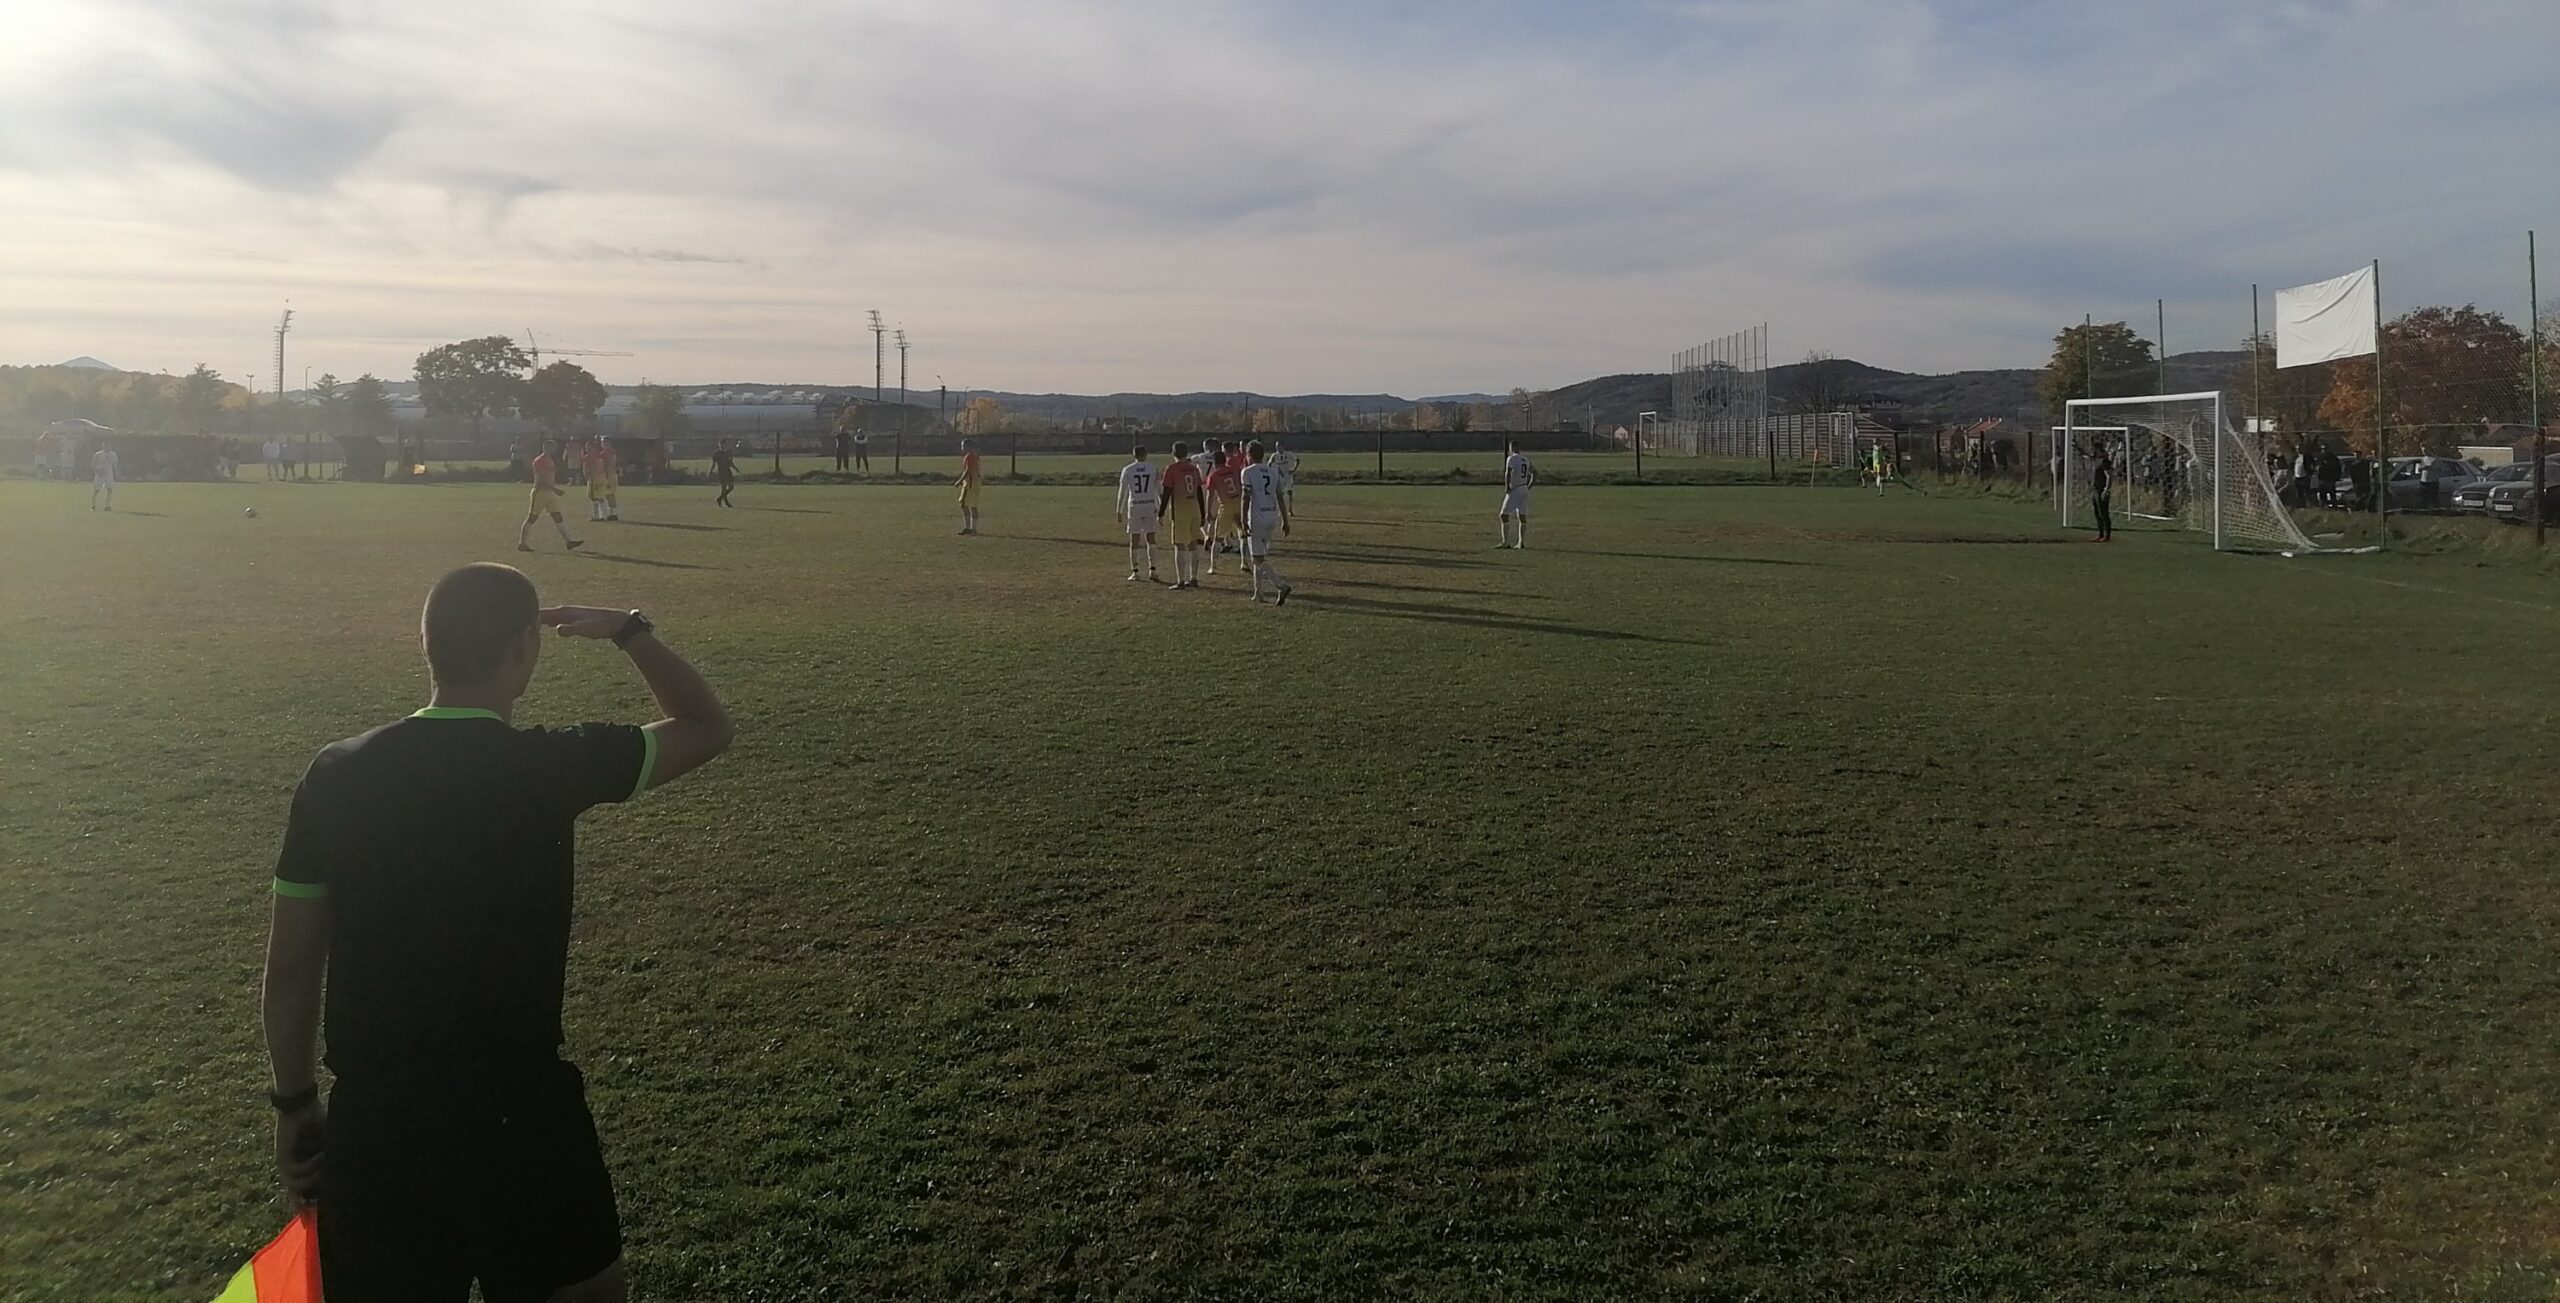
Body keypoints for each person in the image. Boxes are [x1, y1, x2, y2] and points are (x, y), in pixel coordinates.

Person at [260, 562, 734, 1302]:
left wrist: (294, 1103)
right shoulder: (551, 764)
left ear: (428, 645)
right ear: (524, 646)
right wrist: (630, 632)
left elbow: (292, 966)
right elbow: (706, 725)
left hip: (382, 1123)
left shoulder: (337, 773)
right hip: (524, 1112)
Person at [1239, 440, 1293, 605]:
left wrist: (1243, 519)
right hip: (1272, 516)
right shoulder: (1273, 471)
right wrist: (1285, 521)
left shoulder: (1247, 472)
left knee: (1257, 558)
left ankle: (1280, 585)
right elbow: (1280, 497)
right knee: (1259, 554)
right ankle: (1259, 592)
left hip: (1257, 518)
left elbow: (1246, 497)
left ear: (1249, 455)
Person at [518, 442, 585, 551]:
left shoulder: (549, 459)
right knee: (532, 518)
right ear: (547, 447)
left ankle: (568, 541)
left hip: (549, 493)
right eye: (553, 447)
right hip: (540, 493)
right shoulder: (540, 460)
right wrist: (555, 490)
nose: (555, 449)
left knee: (557, 516)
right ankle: (522, 543)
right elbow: (540, 480)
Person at [1159, 440, 1208, 589]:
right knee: (1193, 543)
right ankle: (1194, 578)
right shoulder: (1193, 469)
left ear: (1173, 453)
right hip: (1194, 508)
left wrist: (1161, 512)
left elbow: (1167, 492)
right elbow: (1199, 491)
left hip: (1180, 510)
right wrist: (1203, 512)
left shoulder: (1171, 469)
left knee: (1179, 544)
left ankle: (1181, 580)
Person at [1115, 445, 1161, 583]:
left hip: (1134, 506)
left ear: (1133, 455)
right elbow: (1160, 490)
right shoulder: (1153, 468)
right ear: (1145, 455)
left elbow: (1122, 491)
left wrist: (1119, 509)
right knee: (1151, 537)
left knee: (1134, 538)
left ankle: (1135, 572)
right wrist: (1161, 508)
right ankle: (1153, 570)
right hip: (1150, 505)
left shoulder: (1128, 469)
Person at [1204, 446, 1245, 574]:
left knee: (1218, 538)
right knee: (1242, 533)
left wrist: (1208, 512)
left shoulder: (1214, 475)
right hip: (1239, 504)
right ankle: (1244, 561)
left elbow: (1210, 495)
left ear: (1214, 462)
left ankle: (1213, 566)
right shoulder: (1234, 471)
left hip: (1226, 507)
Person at [1497, 439, 1536, 549]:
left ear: (1512, 448)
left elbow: (1508, 473)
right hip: (1524, 488)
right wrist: (1528, 486)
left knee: (1503, 515)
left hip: (1515, 489)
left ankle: (1505, 542)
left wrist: (1507, 486)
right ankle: (1521, 542)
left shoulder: (1511, 459)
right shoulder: (1526, 459)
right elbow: (1534, 473)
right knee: (1522, 516)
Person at [956, 439, 984, 535]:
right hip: (976, 484)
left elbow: (968, 470)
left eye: (963, 446)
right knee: (973, 506)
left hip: (970, 484)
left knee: (964, 504)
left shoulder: (969, 456)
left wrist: (959, 481)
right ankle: (973, 529)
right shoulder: (976, 456)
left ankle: (968, 527)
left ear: (968, 446)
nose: (962, 448)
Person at [580, 438, 611, 522]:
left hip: (594, 478)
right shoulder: (600, 455)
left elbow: (586, 467)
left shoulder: (588, 456)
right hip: (602, 476)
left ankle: (596, 515)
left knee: (593, 497)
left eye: (588, 447)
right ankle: (605, 514)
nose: (587, 449)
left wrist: (586, 476)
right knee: (600, 496)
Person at [2089, 446, 2113, 542]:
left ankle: (2107, 535)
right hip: (2095, 489)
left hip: (2101, 490)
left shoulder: (2104, 461)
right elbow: (2085, 454)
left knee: (2103, 513)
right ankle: (2100, 534)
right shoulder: (2095, 460)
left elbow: (2109, 476)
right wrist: (2077, 446)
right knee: (2097, 513)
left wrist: (2106, 489)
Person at [1271, 441, 1298, 513]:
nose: (1277, 448)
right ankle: (1279, 509)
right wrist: (1273, 471)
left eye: (1279, 446)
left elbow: (1297, 460)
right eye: (1276, 446)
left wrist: (1293, 470)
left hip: (1288, 476)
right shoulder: (1274, 455)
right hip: (1279, 476)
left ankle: (1290, 509)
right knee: (1280, 493)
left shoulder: (1288, 454)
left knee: (1290, 493)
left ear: (1283, 446)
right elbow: (1269, 464)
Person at [90, 445, 118, 511]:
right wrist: (97, 471)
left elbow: (115, 464)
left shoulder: (113, 454)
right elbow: (93, 464)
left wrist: (116, 472)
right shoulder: (98, 454)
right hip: (99, 474)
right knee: (96, 490)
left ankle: (107, 506)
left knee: (109, 489)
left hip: (109, 474)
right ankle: (93, 505)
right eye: (106, 446)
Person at [711, 440, 737, 508]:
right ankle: (726, 503)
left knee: (731, 487)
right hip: (721, 472)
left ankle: (720, 498)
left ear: (725, 445)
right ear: (719, 445)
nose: (722, 446)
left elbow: (731, 462)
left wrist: (735, 468)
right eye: (720, 445)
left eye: (723, 445)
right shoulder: (716, 454)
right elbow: (713, 464)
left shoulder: (729, 452)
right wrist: (710, 472)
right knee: (724, 488)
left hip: (728, 471)